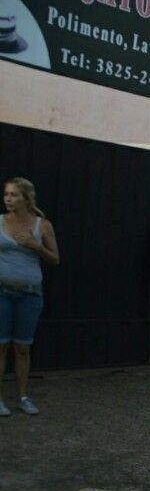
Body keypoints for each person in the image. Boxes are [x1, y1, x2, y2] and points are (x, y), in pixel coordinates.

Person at [0, 177, 59, 416]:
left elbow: (55, 259)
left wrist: (36, 246)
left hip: (30, 295)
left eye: (13, 195)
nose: (8, 199)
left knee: (22, 348)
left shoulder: (42, 225)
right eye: (6, 194)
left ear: (26, 198)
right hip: (2, 293)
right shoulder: (0, 222)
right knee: (1, 346)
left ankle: (23, 397)